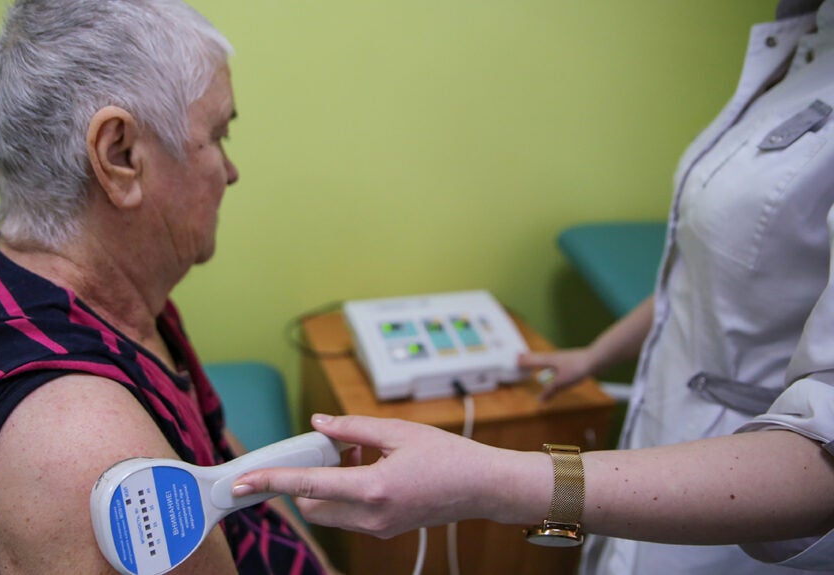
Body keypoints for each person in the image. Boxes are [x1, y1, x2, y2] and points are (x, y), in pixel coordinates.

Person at [234, 0, 834, 572]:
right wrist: (596, 355)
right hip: (664, 436)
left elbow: (823, 456)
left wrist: (495, 482)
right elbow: (708, 276)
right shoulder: (799, 48)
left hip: (739, 490)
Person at [0, 1, 336, 574]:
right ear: (119, 156)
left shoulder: (29, 285)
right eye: (217, 134)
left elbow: (213, 448)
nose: (229, 171)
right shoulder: (88, 457)